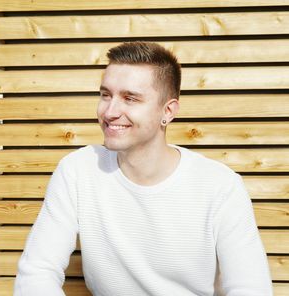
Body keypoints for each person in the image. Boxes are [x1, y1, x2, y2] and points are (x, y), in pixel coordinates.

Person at [14, 41, 273, 296]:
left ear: (168, 111)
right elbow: (37, 272)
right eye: (106, 95)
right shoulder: (77, 171)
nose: (110, 111)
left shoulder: (220, 186)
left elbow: (251, 288)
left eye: (130, 98)